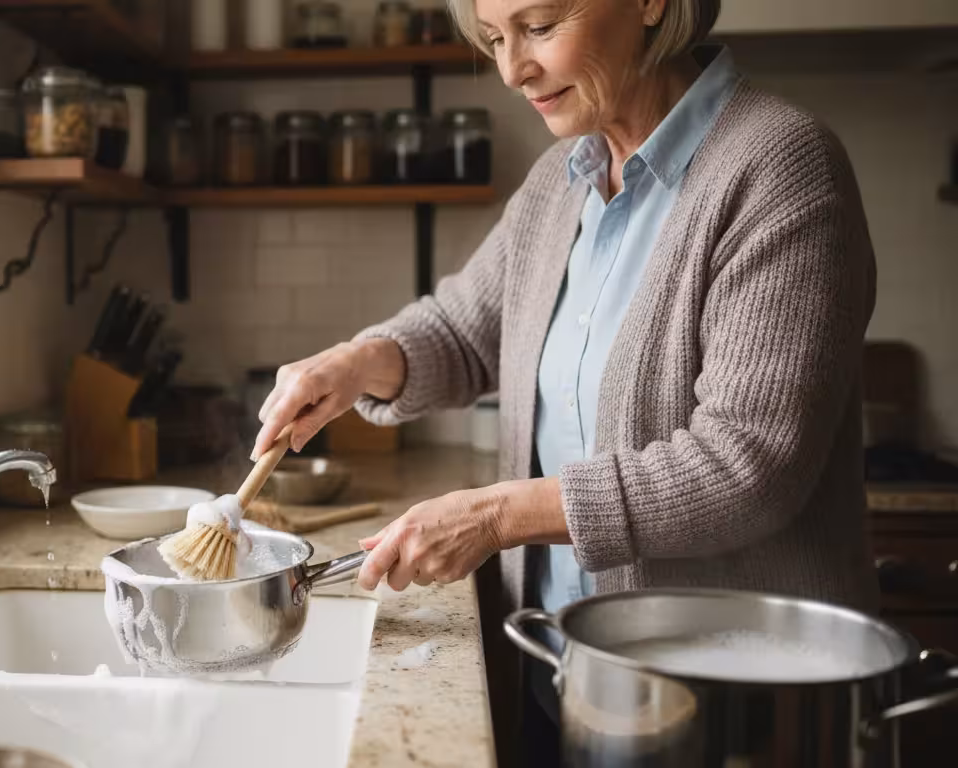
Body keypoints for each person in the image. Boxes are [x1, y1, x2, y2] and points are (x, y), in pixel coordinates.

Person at [250, 0, 879, 756]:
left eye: (540, 27)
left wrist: (496, 518)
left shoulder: (780, 165)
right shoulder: (564, 178)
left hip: (730, 710)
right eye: (494, 40)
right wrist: (358, 363)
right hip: (567, 678)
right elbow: (464, 329)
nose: (513, 70)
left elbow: (747, 467)